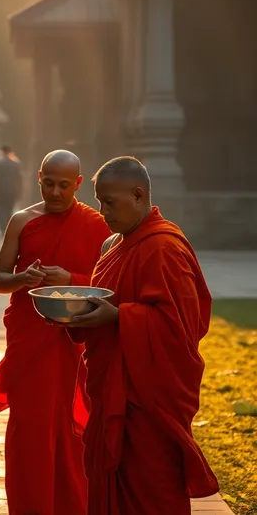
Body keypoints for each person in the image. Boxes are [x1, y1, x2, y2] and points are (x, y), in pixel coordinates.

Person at [67, 156, 219, 515]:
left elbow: (180, 328)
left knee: (153, 490)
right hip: (112, 387)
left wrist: (119, 316)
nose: (101, 211)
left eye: (109, 202)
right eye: (98, 200)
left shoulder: (164, 247)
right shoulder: (115, 246)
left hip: (147, 401)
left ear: (138, 195)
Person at [0, 149, 111, 515]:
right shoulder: (22, 221)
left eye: (63, 186)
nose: (55, 192)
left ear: (77, 184)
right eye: (48, 183)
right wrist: (24, 278)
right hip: (32, 340)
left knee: (74, 434)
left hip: (76, 343)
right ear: (38, 178)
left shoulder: (96, 224)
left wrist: (70, 279)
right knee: (31, 431)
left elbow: (110, 285)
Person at [0, 145, 23, 236]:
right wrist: (20, 190)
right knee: (10, 209)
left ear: (2, 152)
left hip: (0, 190)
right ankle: (9, 228)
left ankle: (2, 229)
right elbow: (20, 178)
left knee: (1, 209)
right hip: (12, 190)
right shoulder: (16, 162)